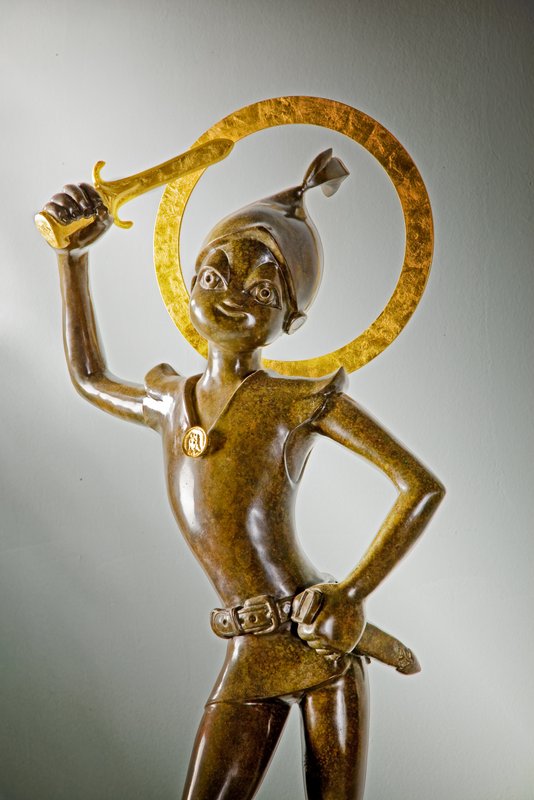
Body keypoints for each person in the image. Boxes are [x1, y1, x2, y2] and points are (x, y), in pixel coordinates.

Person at [44, 150, 444, 800]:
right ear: (187, 285)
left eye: (261, 291)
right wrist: (72, 258)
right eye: (214, 274)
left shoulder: (297, 402)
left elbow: (421, 486)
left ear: (292, 320)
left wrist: (350, 594)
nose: (231, 296)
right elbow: (89, 377)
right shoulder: (170, 401)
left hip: (320, 643)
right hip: (250, 649)